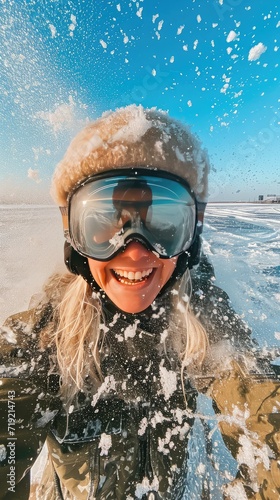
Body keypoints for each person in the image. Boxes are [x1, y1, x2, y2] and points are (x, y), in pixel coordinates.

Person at [0, 105, 279, 500]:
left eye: (163, 223)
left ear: (191, 234)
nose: (135, 251)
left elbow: (259, 398)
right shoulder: (45, 337)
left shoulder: (200, 315)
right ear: (73, 236)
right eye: (103, 224)